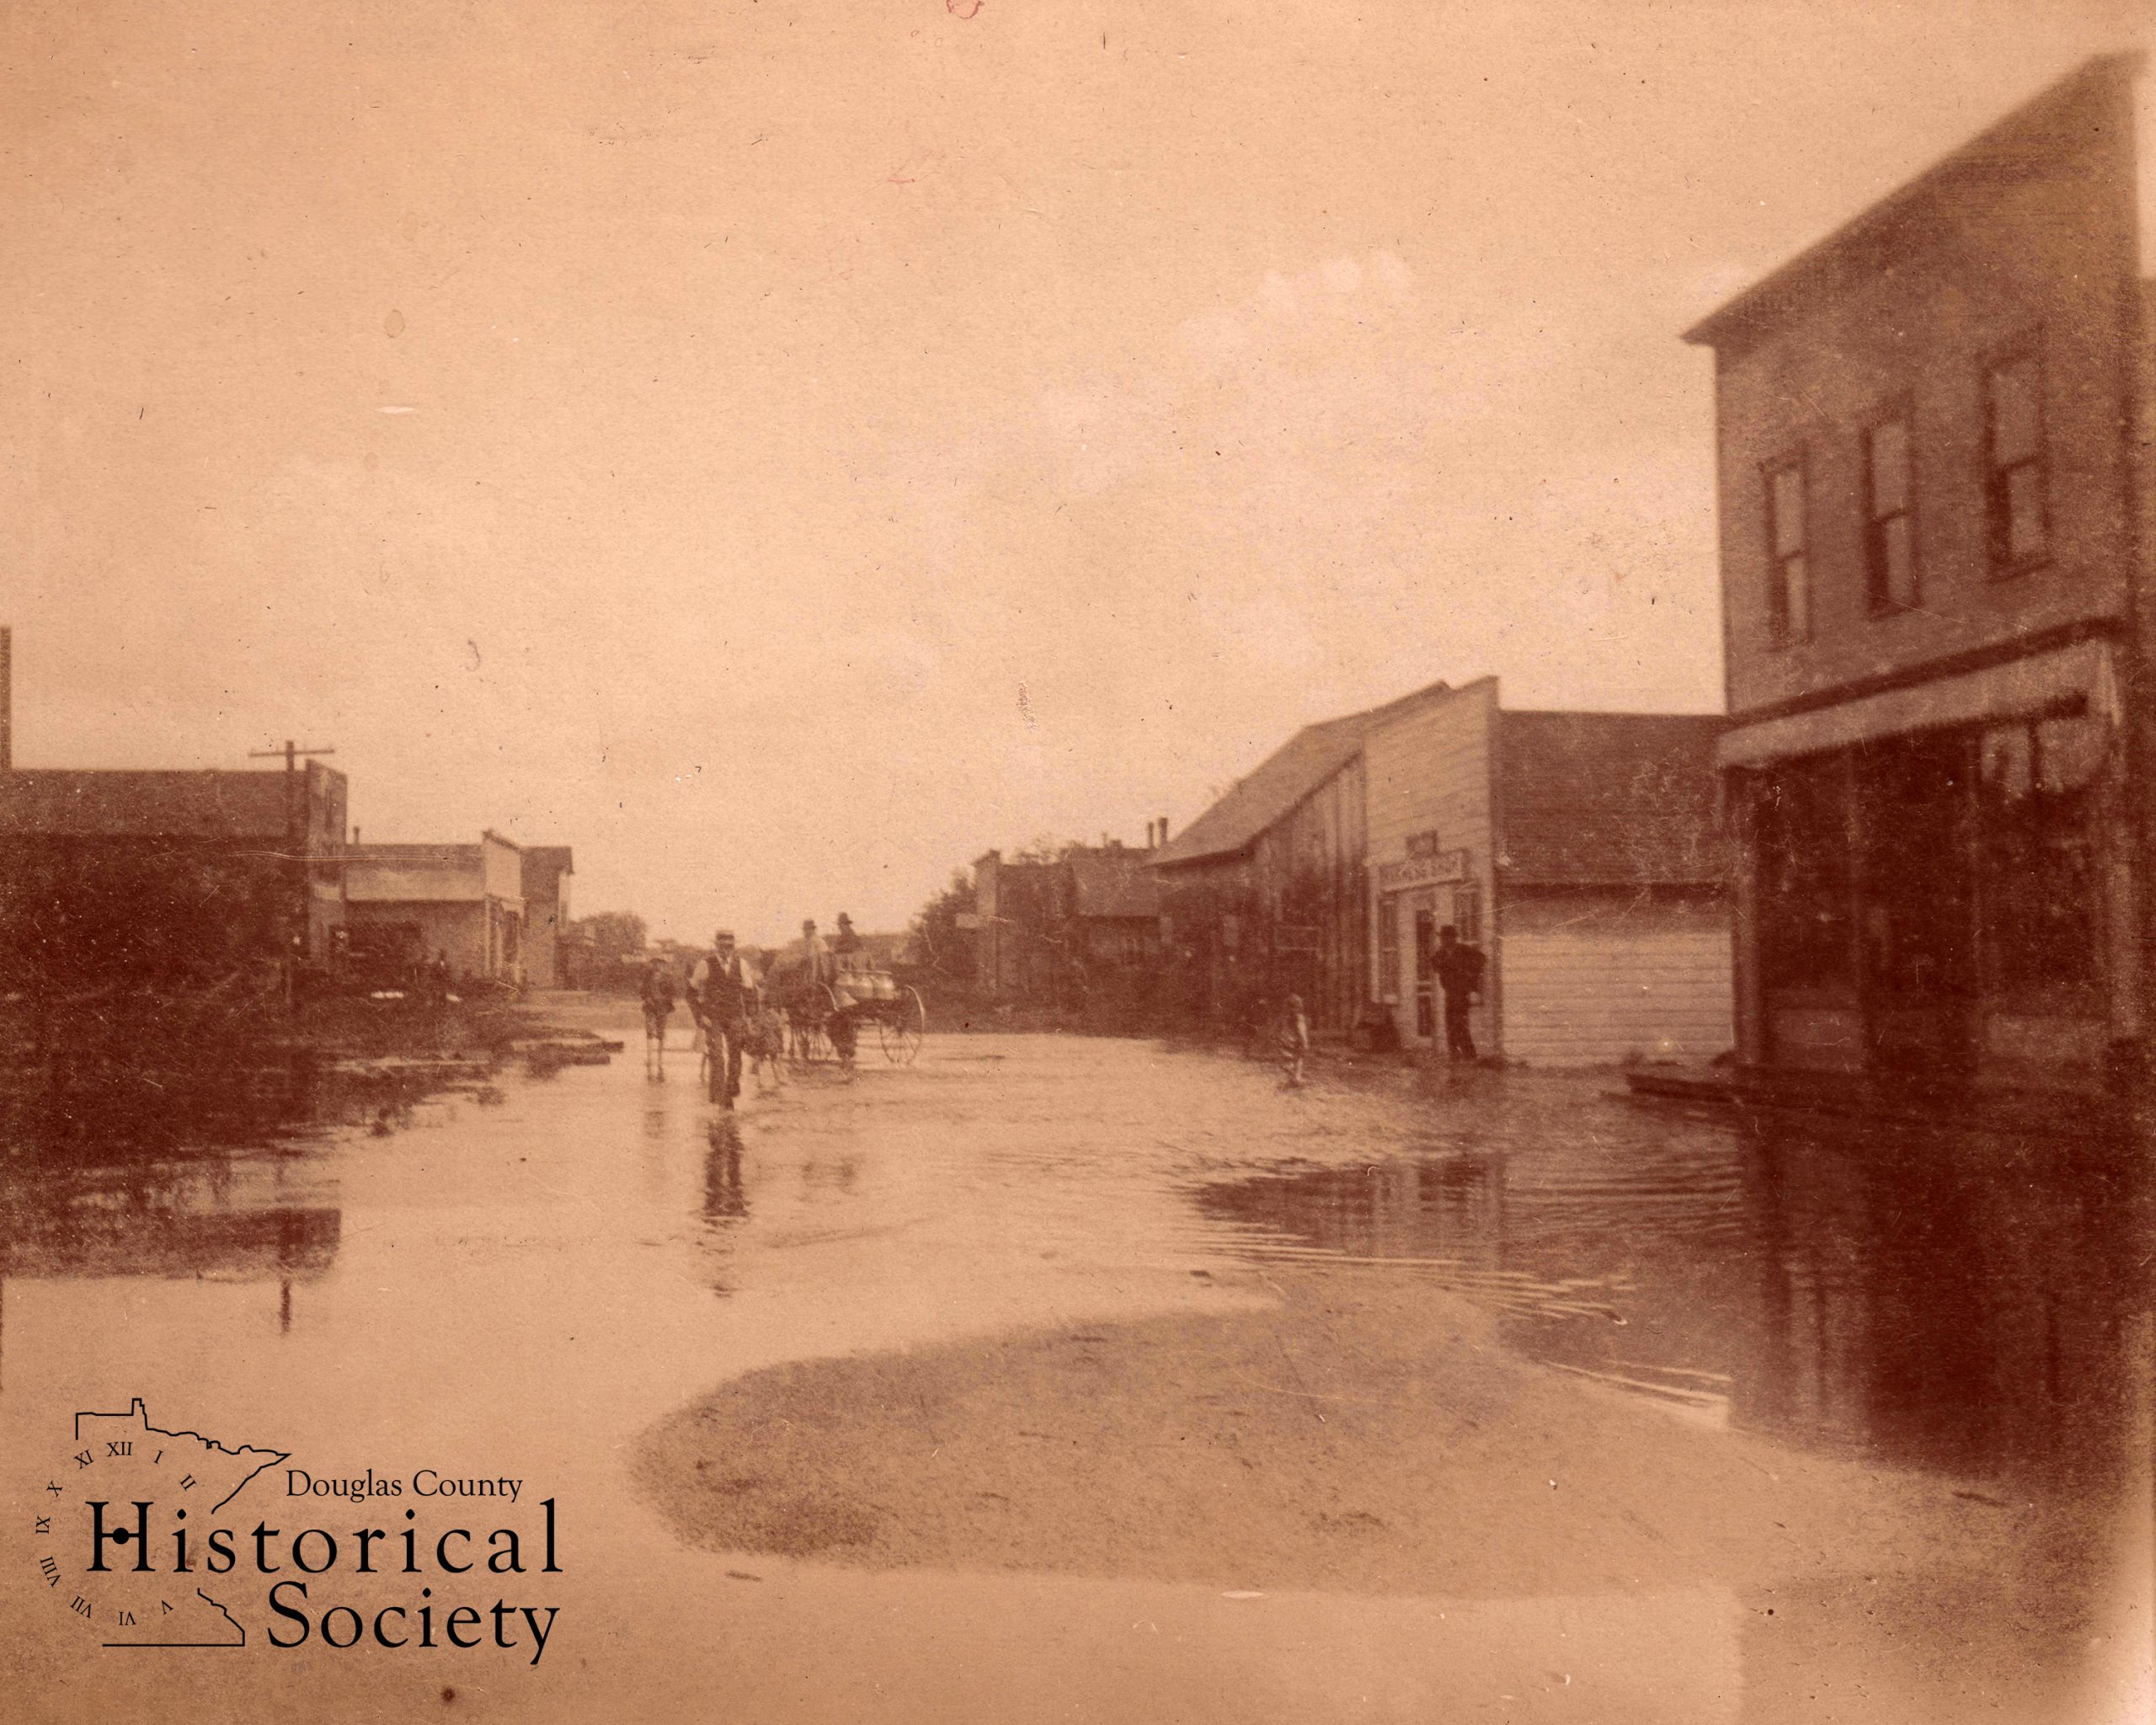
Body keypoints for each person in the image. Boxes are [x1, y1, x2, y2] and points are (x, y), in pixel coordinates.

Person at [687, 929, 756, 1107]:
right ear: (716, 946)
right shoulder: (705, 964)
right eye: (723, 945)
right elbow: (691, 993)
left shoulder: (742, 964)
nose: (726, 949)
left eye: (730, 945)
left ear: (734, 946)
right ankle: (720, 1099)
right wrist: (700, 1016)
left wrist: (749, 1018)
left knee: (735, 1055)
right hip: (713, 1017)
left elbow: (749, 993)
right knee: (716, 1056)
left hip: (735, 1016)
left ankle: (731, 1088)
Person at [1433, 924, 1486, 1062]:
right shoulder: (1441, 953)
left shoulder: (1463, 950)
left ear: (1453, 938)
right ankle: (1454, 1055)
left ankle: (1470, 1055)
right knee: (1450, 1025)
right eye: (1442, 938)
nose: (1444, 941)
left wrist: (1470, 977)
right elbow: (1434, 963)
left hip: (1462, 993)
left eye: (1447, 938)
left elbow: (1482, 959)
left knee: (1460, 1024)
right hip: (1449, 993)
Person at [639, 959, 677, 1053]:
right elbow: (643, 992)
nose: (657, 966)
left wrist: (666, 1000)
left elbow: (672, 992)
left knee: (661, 1032)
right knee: (649, 1030)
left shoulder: (668, 978)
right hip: (650, 1006)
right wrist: (647, 998)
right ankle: (650, 1055)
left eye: (659, 964)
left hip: (662, 1007)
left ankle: (660, 1057)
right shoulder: (647, 978)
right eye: (655, 964)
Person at [1277, 991, 1311, 1087]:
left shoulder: (1284, 1017)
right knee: (1299, 1059)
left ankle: (1291, 1075)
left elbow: (1278, 1028)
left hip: (1285, 1040)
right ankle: (1296, 1077)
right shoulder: (1299, 1018)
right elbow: (1301, 1031)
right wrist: (1305, 1042)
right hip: (1296, 1042)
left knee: (1287, 1059)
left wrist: (1278, 1037)